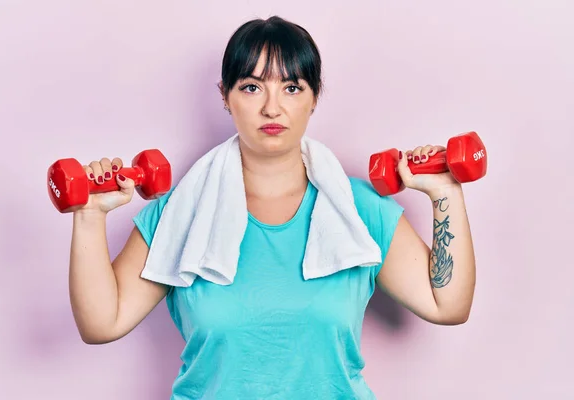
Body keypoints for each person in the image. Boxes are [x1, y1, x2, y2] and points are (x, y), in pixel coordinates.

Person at [68, 15, 476, 400]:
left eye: (292, 87)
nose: (271, 107)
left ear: (314, 98)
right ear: (225, 97)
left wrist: (445, 194)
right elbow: (102, 323)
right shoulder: (181, 214)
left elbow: (448, 305)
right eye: (251, 87)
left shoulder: (358, 210)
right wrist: (89, 215)